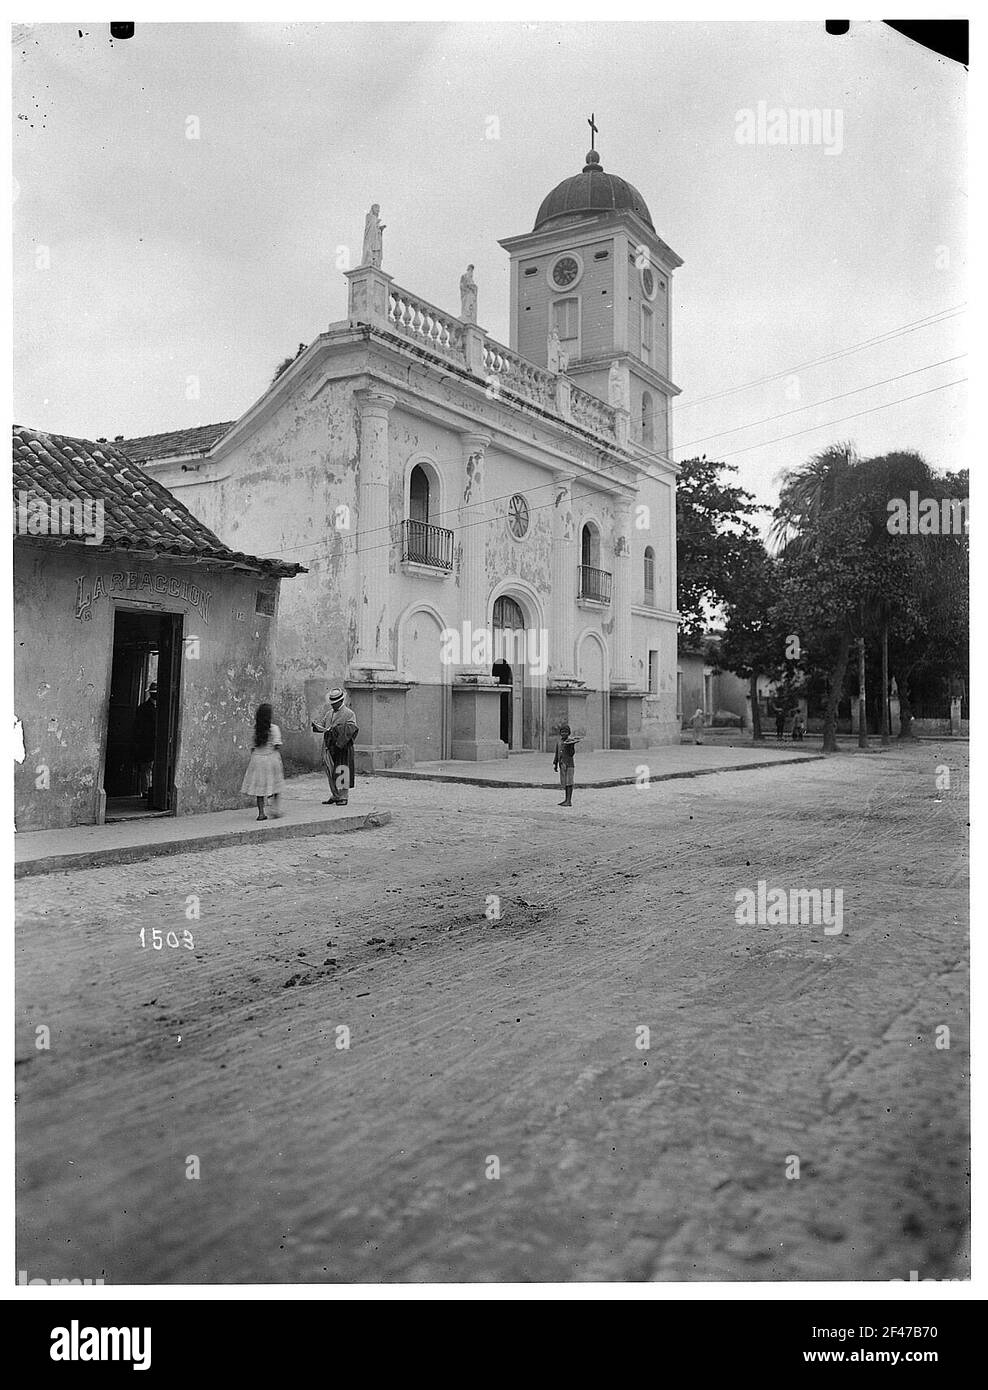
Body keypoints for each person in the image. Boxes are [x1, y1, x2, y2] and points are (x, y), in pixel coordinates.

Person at [312, 687, 358, 805]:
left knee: (342, 769)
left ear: (341, 701)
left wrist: (336, 730)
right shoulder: (329, 714)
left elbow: (351, 729)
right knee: (330, 770)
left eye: (335, 703)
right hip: (329, 745)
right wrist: (317, 726)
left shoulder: (349, 713)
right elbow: (323, 725)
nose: (333, 705)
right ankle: (335, 794)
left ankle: (343, 796)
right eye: (332, 703)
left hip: (342, 746)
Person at [240, 703, 284, 820]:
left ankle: (261, 813)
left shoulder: (255, 730)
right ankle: (275, 809)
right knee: (275, 785)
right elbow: (277, 745)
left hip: (257, 759)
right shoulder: (274, 728)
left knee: (259, 788)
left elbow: (252, 746)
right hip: (271, 758)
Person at [132, 682, 157, 802]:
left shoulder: (162, 709)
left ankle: (153, 791)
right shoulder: (143, 709)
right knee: (146, 768)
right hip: (146, 744)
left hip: (156, 744)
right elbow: (138, 728)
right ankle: (146, 791)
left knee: (153, 768)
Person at [553, 723, 580, 807]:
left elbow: (572, 754)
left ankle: (569, 800)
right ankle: (566, 799)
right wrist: (555, 763)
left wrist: (571, 746)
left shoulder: (570, 742)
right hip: (562, 764)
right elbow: (557, 753)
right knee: (564, 782)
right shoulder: (559, 742)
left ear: (569, 733)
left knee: (569, 782)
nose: (564, 734)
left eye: (566, 732)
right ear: (560, 733)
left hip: (569, 765)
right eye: (562, 732)